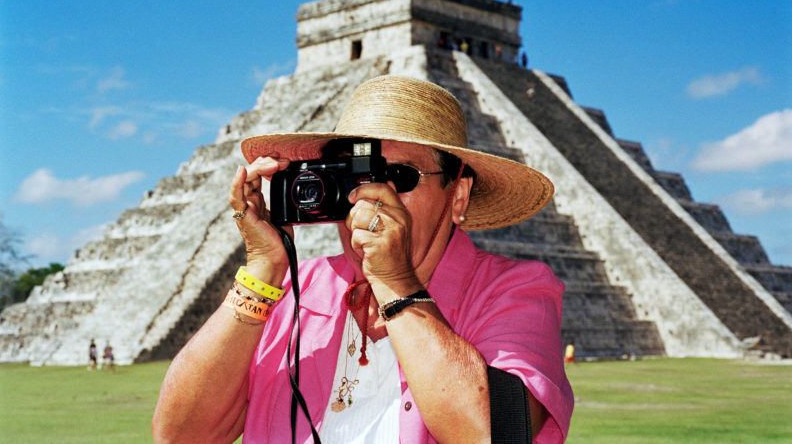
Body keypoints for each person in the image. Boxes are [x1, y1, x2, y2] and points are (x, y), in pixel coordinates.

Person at [153, 76, 574, 443]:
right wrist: (263, 270)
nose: (373, 197)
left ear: (457, 195)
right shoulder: (292, 290)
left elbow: (493, 434)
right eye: (354, 177)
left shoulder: (516, 290)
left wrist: (394, 282)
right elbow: (180, 435)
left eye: (399, 177)